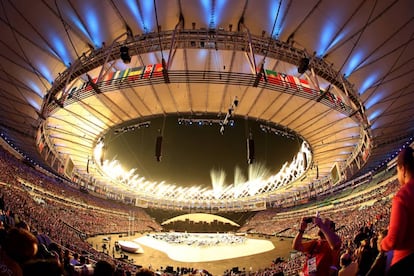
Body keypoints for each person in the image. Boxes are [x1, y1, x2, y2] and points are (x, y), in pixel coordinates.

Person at [380, 147, 414, 275]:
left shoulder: (402, 196)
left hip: (405, 261)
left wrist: (382, 244)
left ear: (403, 169)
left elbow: (394, 239)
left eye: (397, 171)